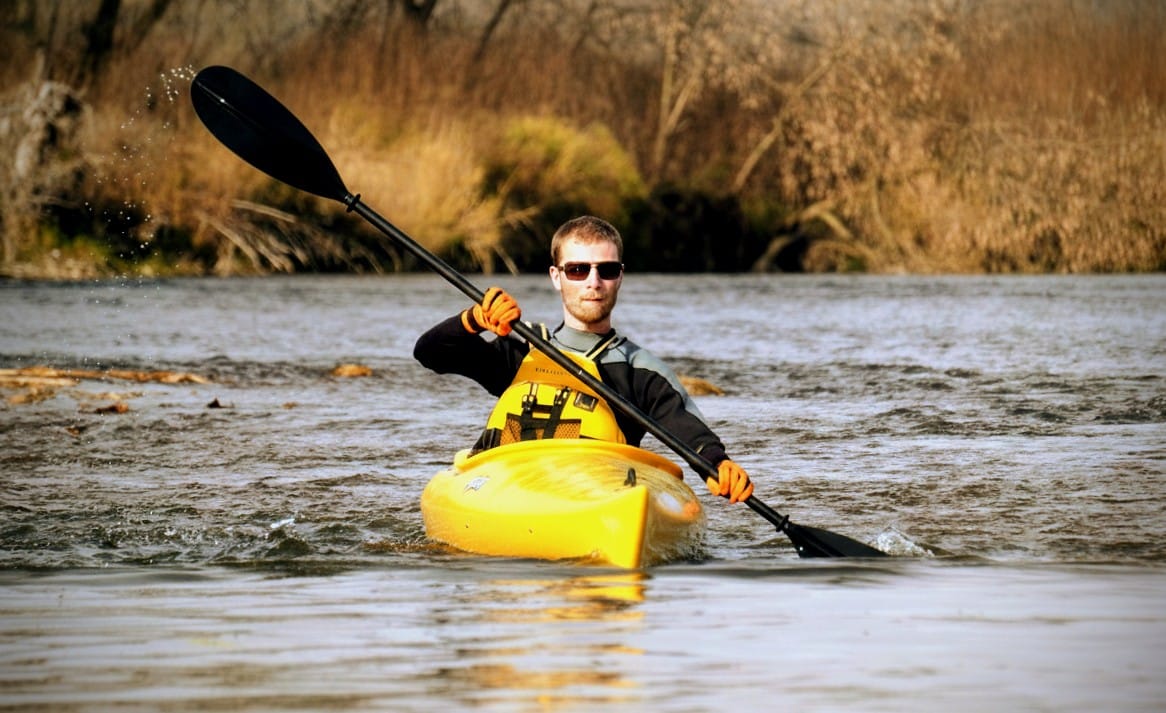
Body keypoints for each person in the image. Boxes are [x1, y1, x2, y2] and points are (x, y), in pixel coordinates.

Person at [413, 215, 754, 504]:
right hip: (504, 489)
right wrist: (474, 319)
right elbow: (430, 353)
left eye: (605, 270)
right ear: (556, 277)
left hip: (589, 497)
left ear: (619, 276)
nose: (594, 282)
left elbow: (685, 428)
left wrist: (716, 464)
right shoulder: (519, 350)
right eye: (577, 269)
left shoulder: (640, 371)